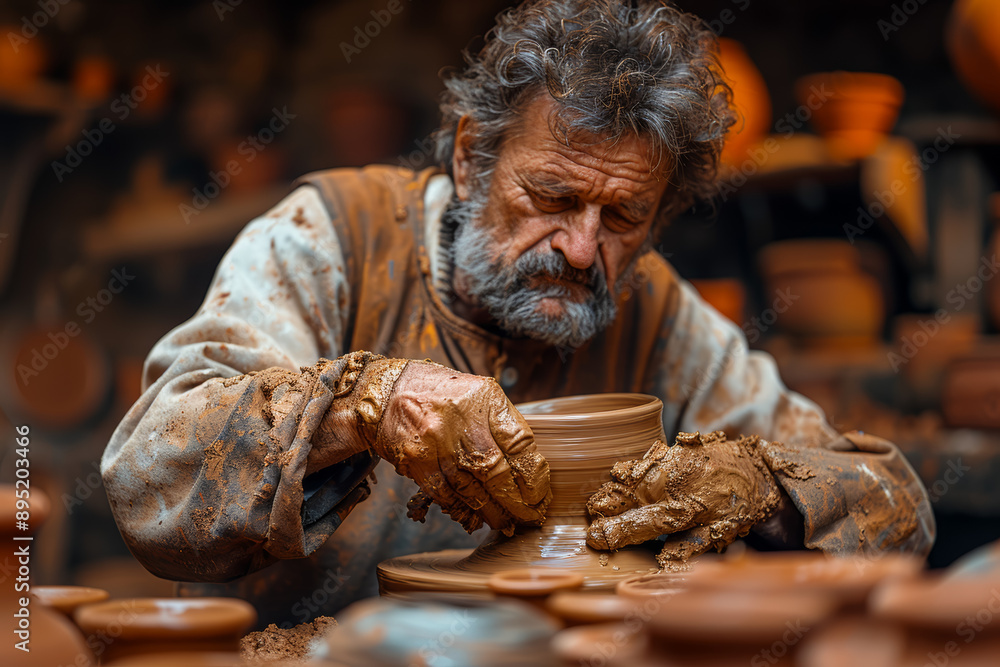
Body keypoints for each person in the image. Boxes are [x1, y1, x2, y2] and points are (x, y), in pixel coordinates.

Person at [101, 0, 934, 624]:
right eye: (552, 195)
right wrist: (365, 401)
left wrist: (762, 485)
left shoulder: (655, 316)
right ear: (470, 157)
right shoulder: (333, 240)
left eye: (622, 217)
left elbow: (893, 505)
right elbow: (146, 482)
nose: (580, 248)